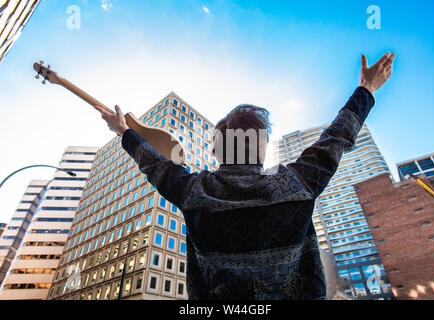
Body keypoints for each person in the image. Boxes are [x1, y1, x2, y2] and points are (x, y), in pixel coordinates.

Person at [94, 52, 396, 299]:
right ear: (262, 148)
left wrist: (123, 131)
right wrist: (366, 89)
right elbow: (338, 135)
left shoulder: (193, 191)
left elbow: (152, 162)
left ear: (216, 151)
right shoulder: (296, 183)